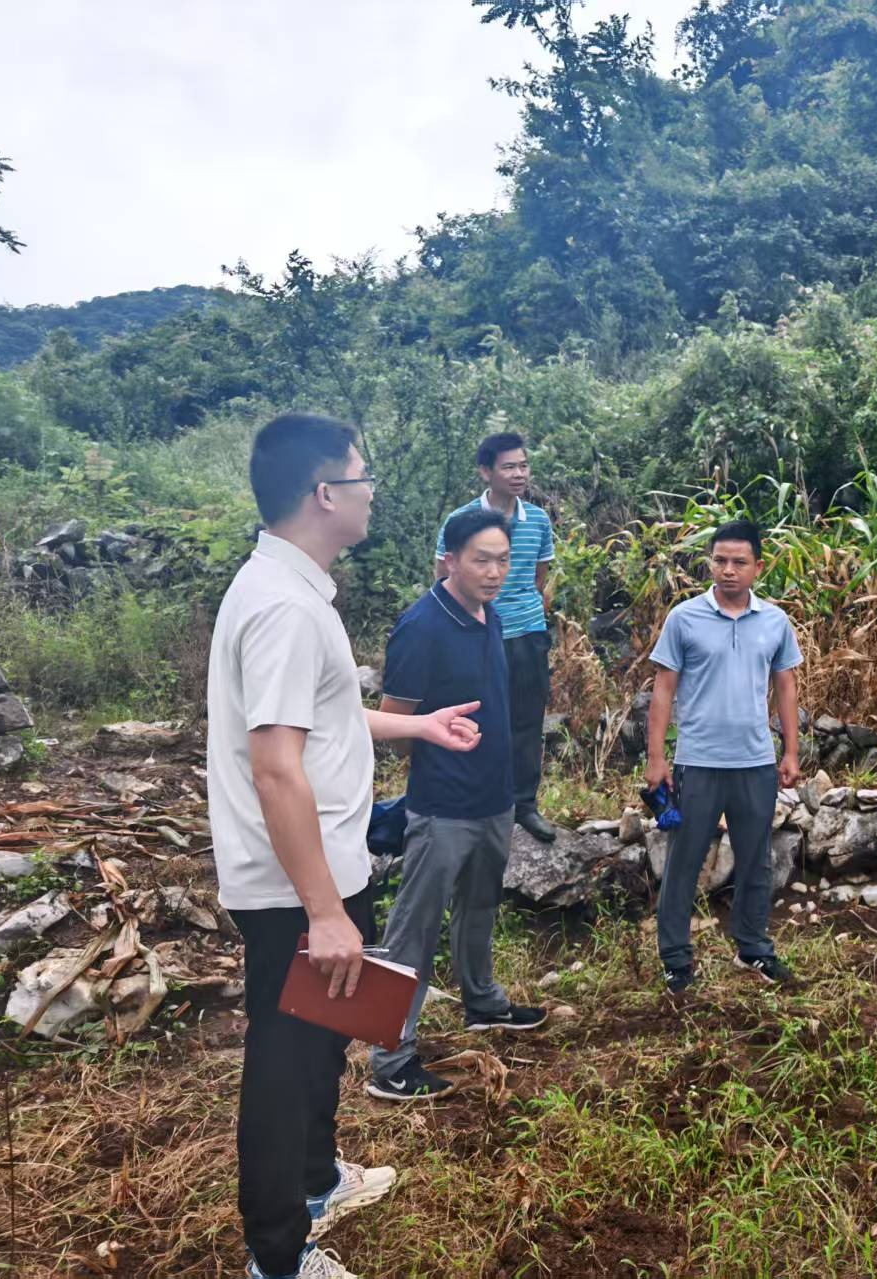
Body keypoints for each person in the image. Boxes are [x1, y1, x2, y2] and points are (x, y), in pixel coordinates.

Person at [208, 413, 485, 1279]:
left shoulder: (294, 591)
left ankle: (319, 1179)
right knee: (285, 1062)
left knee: (323, 1039)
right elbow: (276, 767)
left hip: (324, 869)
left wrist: (418, 725)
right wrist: (324, 911)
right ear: (325, 493)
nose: (373, 492)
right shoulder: (283, 607)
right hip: (297, 886)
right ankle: (278, 1257)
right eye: (364, 477)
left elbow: (321, 718)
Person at [368, 507, 549, 1101]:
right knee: (413, 928)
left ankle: (483, 1002)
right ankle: (390, 1059)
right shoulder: (422, 626)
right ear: (448, 560)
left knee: (479, 908)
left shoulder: (489, 613)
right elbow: (392, 724)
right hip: (443, 806)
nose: (494, 572)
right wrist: (436, 744)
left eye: (503, 560)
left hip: (494, 797)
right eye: (481, 561)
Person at [645, 519, 802, 993]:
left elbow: (786, 687)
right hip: (698, 761)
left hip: (755, 762)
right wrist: (656, 756)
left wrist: (790, 750)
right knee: (684, 861)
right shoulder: (684, 619)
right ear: (709, 563)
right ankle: (676, 958)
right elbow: (663, 689)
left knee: (756, 860)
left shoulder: (774, 622)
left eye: (739, 562)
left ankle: (753, 948)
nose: (728, 570)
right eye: (719, 560)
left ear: (758, 567)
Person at [436, 431, 558, 841]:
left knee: (527, 721)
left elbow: (538, 579)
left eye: (523, 465)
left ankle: (525, 805)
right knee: (477, 718)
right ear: (486, 472)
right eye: (509, 467)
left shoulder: (537, 520)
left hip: (526, 632)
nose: (520, 473)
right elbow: (444, 579)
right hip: (475, 634)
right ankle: (481, 800)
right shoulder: (461, 522)